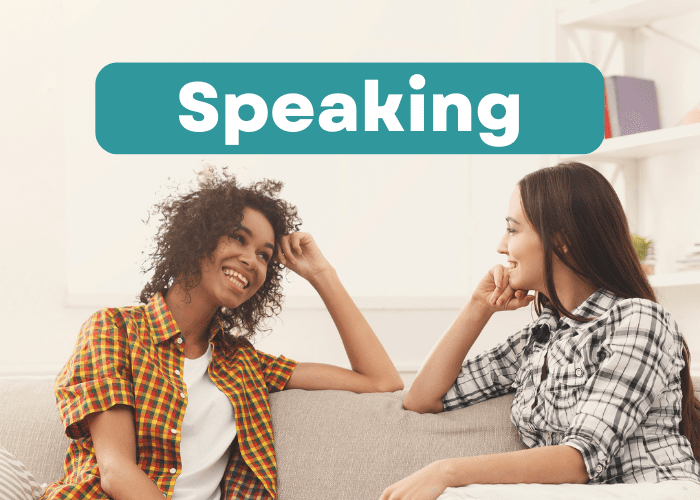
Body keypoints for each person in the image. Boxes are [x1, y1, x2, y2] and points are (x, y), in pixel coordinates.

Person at [42, 169, 403, 500]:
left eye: (264, 255)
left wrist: (322, 273)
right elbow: (116, 472)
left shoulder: (244, 364)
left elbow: (381, 380)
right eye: (238, 239)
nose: (252, 261)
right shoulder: (114, 331)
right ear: (198, 238)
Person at [383, 163, 700, 500]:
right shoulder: (539, 340)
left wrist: (447, 472)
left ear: (561, 240)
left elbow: (579, 459)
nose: (501, 246)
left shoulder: (638, 319)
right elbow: (421, 399)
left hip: (655, 491)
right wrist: (478, 307)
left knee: (453, 494)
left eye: (512, 230)